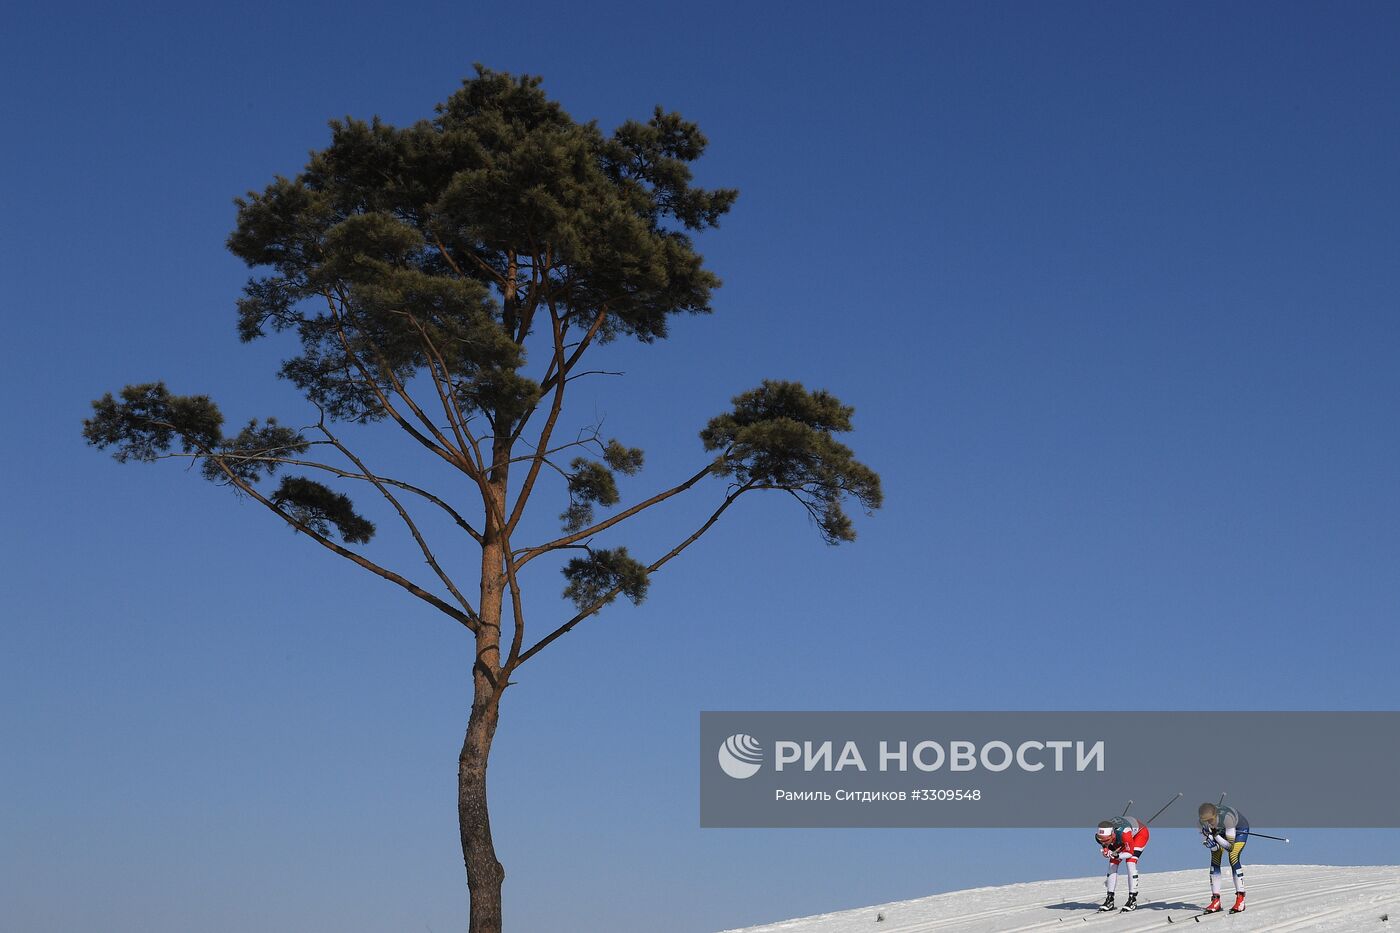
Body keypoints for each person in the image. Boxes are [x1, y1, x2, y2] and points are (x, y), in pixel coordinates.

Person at [1198, 802, 1249, 914]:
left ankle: (1240, 899)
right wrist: (1212, 845)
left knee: (1233, 857)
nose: (1208, 823)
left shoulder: (1227, 819)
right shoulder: (1204, 822)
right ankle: (1216, 900)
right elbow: (1214, 846)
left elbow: (1230, 847)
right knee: (1215, 859)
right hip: (1220, 831)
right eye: (1205, 821)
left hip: (1239, 829)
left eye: (1210, 820)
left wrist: (1215, 836)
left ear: (1215, 815)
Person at [1093, 815, 1149, 911]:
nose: (1104, 843)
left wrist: (1117, 855)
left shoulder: (1125, 832)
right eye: (1100, 840)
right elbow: (1104, 843)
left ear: (1112, 834)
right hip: (1121, 840)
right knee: (1112, 864)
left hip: (1139, 835)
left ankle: (1132, 900)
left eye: (1106, 841)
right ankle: (1110, 899)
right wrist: (1106, 850)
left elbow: (1129, 852)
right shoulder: (1105, 837)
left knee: (1130, 862)